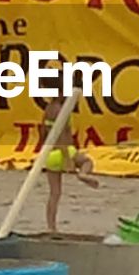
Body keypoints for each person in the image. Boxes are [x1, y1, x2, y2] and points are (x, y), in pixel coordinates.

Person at [43, 93, 98, 233]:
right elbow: (62, 134)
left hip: (50, 153)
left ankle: (51, 226)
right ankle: (83, 175)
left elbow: (44, 132)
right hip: (64, 150)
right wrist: (67, 158)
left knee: (54, 193)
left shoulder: (48, 109)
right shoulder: (62, 110)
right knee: (87, 162)